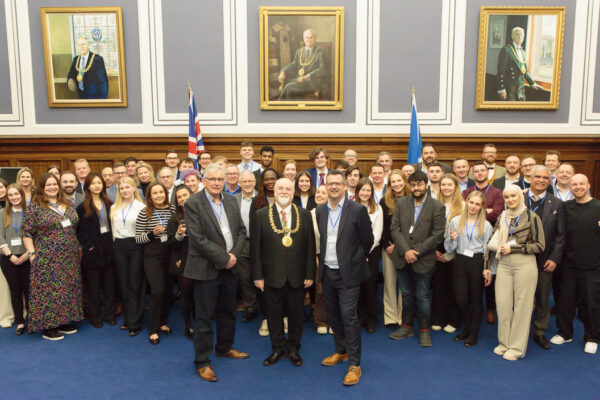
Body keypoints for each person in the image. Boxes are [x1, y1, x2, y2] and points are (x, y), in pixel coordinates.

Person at [183, 163, 249, 383]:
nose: (217, 183)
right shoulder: (194, 203)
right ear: (203, 180)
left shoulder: (231, 200)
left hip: (230, 267)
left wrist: (234, 256)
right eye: (212, 179)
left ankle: (224, 347)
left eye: (220, 179)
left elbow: (241, 231)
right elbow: (198, 239)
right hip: (206, 269)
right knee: (203, 319)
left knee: (228, 312)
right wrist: (224, 258)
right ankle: (202, 362)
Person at [317, 170, 373, 386]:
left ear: (344, 186)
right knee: (333, 316)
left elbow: (367, 240)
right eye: (329, 184)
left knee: (349, 317)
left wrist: (356, 258)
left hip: (348, 273)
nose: (333, 187)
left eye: (337, 184)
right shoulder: (320, 211)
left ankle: (355, 364)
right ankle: (340, 351)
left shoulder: (357, 209)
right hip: (327, 272)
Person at [251, 178, 315, 367]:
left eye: (288, 188)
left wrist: (310, 273)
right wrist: (257, 275)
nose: (284, 191)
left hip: (297, 276)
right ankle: (277, 348)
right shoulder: (261, 215)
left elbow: (311, 246)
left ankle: (294, 349)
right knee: (273, 315)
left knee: (296, 315)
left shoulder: (304, 215)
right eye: (281, 188)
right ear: (274, 191)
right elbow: (255, 249)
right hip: (270, 277)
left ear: (293, 191)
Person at [484, 184, 545, 361]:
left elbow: (540, 245)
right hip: (503, 264)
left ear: (521, 197)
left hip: (524, 265)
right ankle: (504, 343)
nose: (510, 200)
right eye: (507, 197)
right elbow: (491, 242)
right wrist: (487, 266)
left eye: (514, 196)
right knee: (502, 305)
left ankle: (517, 347)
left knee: (522, 307)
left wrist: (516, 248)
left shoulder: (532, 217)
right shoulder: (502, 216)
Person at [23, 173, 83, 340]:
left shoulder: (69, 204)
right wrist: (32, 253)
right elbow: (27, 233)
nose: (52, 187)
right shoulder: (35, 207)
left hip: (69, 256)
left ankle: (64, 322)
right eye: (48, 185)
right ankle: (48, 327)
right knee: (49, 291)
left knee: (66, 288)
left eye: (54, 184)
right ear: (42, 188)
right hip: (46, 257)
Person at [389, 171, 446, 347]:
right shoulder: (402, 202)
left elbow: (437, 235)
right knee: (406, 295)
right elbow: (395, 229)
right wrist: (406, 250)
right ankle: (406, 326)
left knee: (422, 297)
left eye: (419, 184)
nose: (416, 188)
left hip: (423, 260)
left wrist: (416, 252)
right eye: (413, 184)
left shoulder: (437, 206)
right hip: (402, 258)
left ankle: (424, 331)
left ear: (426, 185)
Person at [551, 174, 600, 355]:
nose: (578, 187)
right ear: (570, 187)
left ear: (588, 185)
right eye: (574, 184)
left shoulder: (598, 207)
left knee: (591, 304)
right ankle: (565, 333)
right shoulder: (565, 207)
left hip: (592, 266)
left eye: (581, 184)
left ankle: (592, 337)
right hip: (568, 265)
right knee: (565, 302)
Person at [444, 191, 493, 346]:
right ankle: (465, 328)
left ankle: (473, 333)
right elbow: (449, 248)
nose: (473, 206)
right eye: (471, 202)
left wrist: (487, 269)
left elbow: (487, 250)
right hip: (460, 260)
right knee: (461, 298)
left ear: (482, 207)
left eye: (477, 204)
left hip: (477, 261)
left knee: (476, 299)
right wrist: (452, 240)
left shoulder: (486, 225)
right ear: (467, 202)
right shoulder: (455, 221)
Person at [525, 165, 565, 350]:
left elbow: (560, 235)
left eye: (545, 178)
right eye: (537, 177)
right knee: (521, 297)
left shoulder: (556, 203)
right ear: (530, 178)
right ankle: (520, 330)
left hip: (545, 259)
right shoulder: (519, 198)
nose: (541, 180)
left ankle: (539, 331)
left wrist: (555, 258)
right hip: (520, 258)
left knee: (542, 297)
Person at [135, 182, 175, 345]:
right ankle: (152, 329)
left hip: (171, 252)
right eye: (155, 193)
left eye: (161, 192)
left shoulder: (173, 210)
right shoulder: (145, 212)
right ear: (149, 196)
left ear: (165, 193)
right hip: (153, 254)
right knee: (158, 290)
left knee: (168, 291)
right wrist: (152, 233)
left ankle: (162, 322)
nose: (158, 195)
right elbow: (138, 239)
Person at [75, 173, 115, 328]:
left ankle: (110, 314)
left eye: (100, 183)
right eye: (94, 183)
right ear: (88, 187)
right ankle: (96, 316)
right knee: (93, 286)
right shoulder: (81, 207)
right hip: (92, 249)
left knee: (110, 284)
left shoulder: (110, 203)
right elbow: (78, 231)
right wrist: (87, 245)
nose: (97, 185)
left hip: (109, 247)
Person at [110, 177, 145, 337]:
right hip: (118, 246)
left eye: (127, 187)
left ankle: (135, 322)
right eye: (121, 188)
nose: (124, 190)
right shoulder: (114, 207)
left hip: (135, 245)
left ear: (133, 188)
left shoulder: (141, 207)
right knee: (123, 284)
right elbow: (112, 230)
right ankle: (128, 319)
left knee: (134, 284)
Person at [431, 174, 463, 333]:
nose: (446, 188)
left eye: (449, 185)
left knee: (453, 288)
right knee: (438, 286)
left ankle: (453, 319)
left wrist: (449, 255)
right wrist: (435, 251)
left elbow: (464, 233)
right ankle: (438, 318)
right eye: (443, 185)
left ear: (456, 187)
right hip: (436, 251)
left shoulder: (463, 206)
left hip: (456, 252)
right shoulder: (433, 205)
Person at [380, 170, 411, 328]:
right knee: (390, 282)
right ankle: (391, 316)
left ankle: (403, 316)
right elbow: (382, 227)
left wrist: (404, 247)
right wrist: (387, 245)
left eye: (399, 181)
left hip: (407, 249)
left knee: (405, 283)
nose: (397, 184)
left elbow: (414, 227)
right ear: (389, 185)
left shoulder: (413, 200)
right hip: (389, 249)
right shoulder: (384, 202)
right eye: (393, 182)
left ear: (405, 181)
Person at [354, 178, 383, 333]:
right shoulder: (350, 206)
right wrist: (358, 252)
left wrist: (365, 252)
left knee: (370, 287)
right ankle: (360, 318)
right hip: (354, 254)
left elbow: (377, 235)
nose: (365, 193)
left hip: (371, 253)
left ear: (371, 192)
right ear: (357, 191)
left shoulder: (377, 208)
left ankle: (372, 320)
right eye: (362, 190)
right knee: (356, 288)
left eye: (368, 190)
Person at [0, 184, 29, 335]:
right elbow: (0, 237)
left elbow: (36, 235)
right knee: (15, 290)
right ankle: (20, 322)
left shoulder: (30, 212)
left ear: (22, 195)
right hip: (8, 258)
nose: (14, 197)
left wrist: (27, 254)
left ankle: (33, 319)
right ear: (7, 197)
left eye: (16, 194)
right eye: (10, 195)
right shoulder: (2, 213)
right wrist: (10, 255)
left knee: (29, 289)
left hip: (27, 256)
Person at [166, 185, 195, 340]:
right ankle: (188, 325)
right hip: (182, 259)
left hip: (200, 258)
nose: (183, 198)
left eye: (185, 195)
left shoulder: (201, 213)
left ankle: (201, 320)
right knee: (186, 293)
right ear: (176, 201)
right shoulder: (174, 218)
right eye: (179, 197)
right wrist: (178, 234)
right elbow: (171, 243)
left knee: (200, 292)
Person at [235, 170, 258, 323]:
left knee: (263, 275)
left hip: (261, 243)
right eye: (244, 181)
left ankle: (268, 307)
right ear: (239, 183)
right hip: (242, 242)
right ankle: (251, 307)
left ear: (255, 182)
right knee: (245, 277)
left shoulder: (263, 198)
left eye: (250, 181)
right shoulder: (232, 199)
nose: (248, 184)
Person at [278, 29, 328, 100]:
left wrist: (306, 76)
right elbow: (293, 65)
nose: (308, 40)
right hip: (298, 80)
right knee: (289, 87)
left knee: (288, 87)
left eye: (311, 37)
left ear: (315, 39)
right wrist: (283, 71)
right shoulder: (299, 51)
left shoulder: (320, 52)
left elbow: (323, 69)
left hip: (311, 82)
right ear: (303, 39)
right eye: (306, 37)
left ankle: (280, 107)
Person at [496, 27, 543, 101]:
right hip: (510, 89)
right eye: (517, 34)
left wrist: (533, 83)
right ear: (512, 36)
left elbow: (525, 72)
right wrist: (501, 89)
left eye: (521, 34)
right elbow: (501, 72)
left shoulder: (523, 52)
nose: (520, 37)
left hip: (521, 89)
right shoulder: (506, 50)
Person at [311, 185, 330, 334]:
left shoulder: (335, 213)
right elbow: (307, 239)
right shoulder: (309, 214)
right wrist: (314, 256)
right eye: (318, 192)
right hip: (316, 256)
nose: (320, 195)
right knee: (320, 290)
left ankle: (334, 321)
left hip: (334, 256)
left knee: (335, 290)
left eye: (324, 193)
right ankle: (321, 321)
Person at [462, 161, 504, 225]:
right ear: (473, 175)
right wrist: (486, 211)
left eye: (482, 170)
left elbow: (496, 215)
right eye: (476, 171)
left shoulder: (497, 193)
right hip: (468, 228)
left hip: (490, 230)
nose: (480, 173)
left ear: (487, 172)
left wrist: (473, 214)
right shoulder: (466, 193)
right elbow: (463, 212)